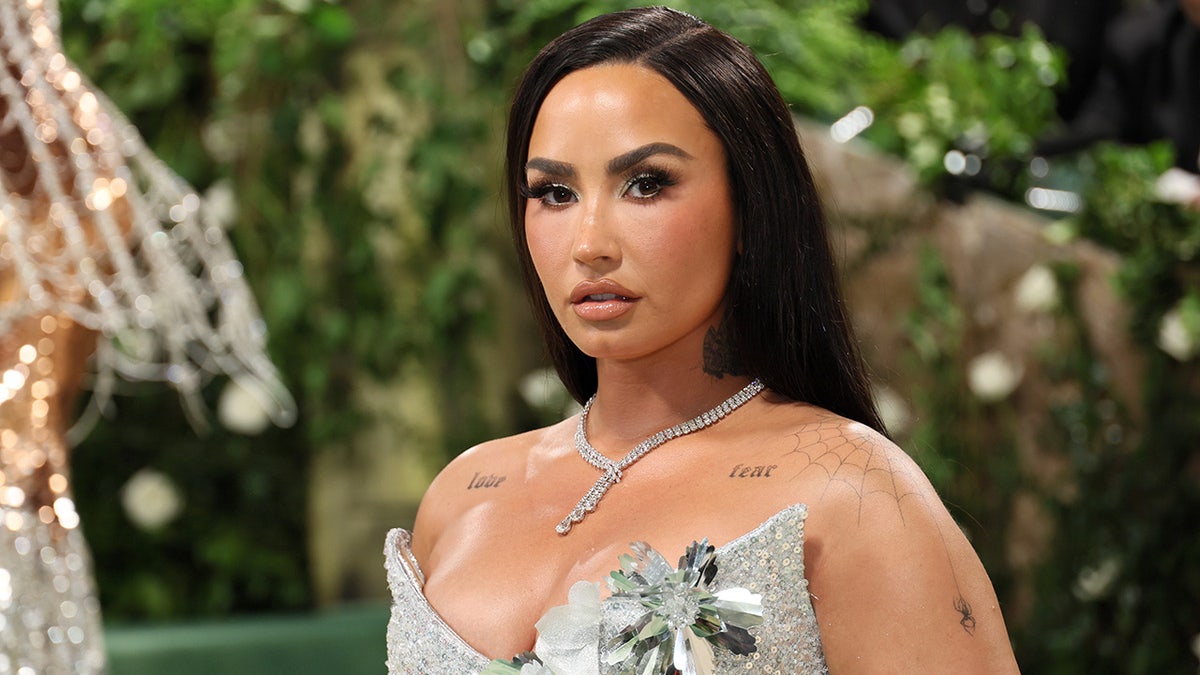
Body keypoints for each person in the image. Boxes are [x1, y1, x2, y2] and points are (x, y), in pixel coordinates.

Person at [385, 7, 1019, 673]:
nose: (590, 245)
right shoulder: (464, 492)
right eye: (555, 192)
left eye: (646, 183)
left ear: (750, 209)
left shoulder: (848, 490)